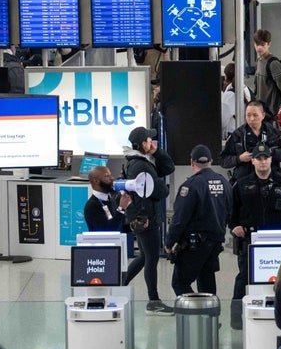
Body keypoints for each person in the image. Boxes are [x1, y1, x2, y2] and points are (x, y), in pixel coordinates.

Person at [232, 144, 281, 313]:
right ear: (253, 161)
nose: (263, 162)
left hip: (277, 240)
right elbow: (231, 208)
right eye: (259, 159)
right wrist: (234, 225)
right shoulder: (241, 185)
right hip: (250, 239)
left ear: (271, 160)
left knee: (279, 276)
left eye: (266, 158)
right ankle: (236, 316)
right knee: (244, 277)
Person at [122, 126, 176, 316]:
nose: (152, 143)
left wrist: (157, 153)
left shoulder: (137, 161)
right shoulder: (142, 165)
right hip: (146, 218)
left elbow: (169, 167)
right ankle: (153, 301)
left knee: (144, 256)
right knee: (151, 258)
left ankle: (120, 284)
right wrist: (160, 183)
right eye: (149, 141)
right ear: (141, 144)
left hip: (142, 216)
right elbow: (161, 190)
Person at [168, 145, 232, 297]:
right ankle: (211, 318)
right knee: (207, 281)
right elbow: (230, 210)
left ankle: (196, 315)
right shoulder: (224, 183)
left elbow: (180, 219)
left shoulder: (191, 185)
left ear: (192, 163)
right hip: (215, 243)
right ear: (210, 161)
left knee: (180, 283)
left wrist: (169, 242)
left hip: (194, 245)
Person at [220, 100, 281, 182]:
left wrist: (271, 153)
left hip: (271, 179)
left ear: (263, 115)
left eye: (255, 115)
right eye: (248, 115)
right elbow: (223, 160)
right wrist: (239, 158)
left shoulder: (274, 133)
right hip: (244, 180)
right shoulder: (237, 135)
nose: (251, 119)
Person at [252, 30, 281, 119]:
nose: (259, 48)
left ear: (269, 44)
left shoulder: (273, 64)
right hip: (261, 114)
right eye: (257, 44)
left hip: (271, 116)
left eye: (263, 45)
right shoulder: (259, 61)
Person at [83, 165, 128, 232]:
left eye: (110, 175)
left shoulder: (110, 199)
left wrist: (133, 226)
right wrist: (121, 208)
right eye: (107, 176)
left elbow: (118, 224)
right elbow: (108, 229)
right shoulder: (92, 206)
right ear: (96, 181)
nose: (112, 178)